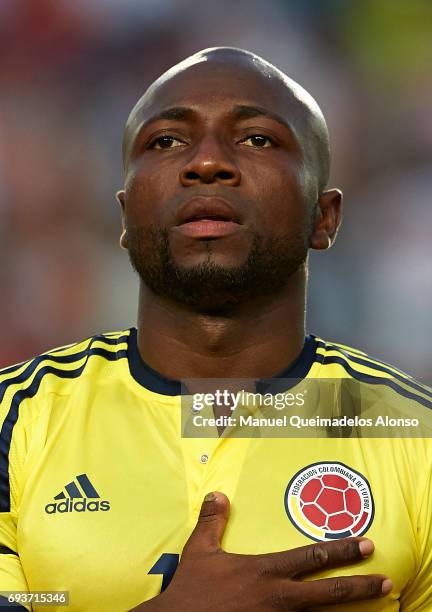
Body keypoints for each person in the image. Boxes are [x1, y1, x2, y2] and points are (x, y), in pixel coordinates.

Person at [0, 47, 431, 612]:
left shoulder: (413, 435)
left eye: (256, 139)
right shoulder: (15, 422)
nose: (206, 163)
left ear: (323, 218)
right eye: (166, 142)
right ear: (126, 218)